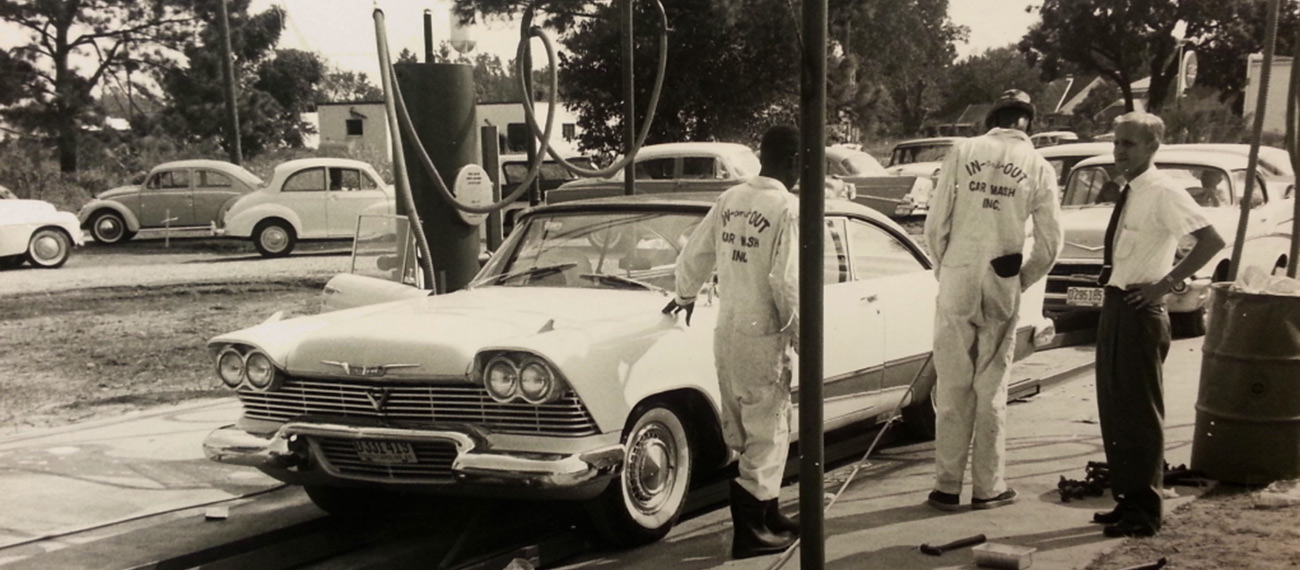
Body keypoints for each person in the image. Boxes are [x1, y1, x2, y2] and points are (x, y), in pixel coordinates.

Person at [662, 124, 801, 560]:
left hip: (728, 329)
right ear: (796, 162)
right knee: (769, 430)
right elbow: (787, 282)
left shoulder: (732, 199)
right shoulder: (786, 207)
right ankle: (751, 531)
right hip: (764, 334)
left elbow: (695, 252)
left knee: (744, 426)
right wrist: (801, 334)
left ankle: (768, 511)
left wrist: (684, 293)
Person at [923, 89, 1063, 512]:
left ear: (993, 119)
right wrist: (1023, 278)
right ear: (1028, 123)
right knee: (991, 387)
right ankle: (988, 487)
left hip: (958, 275)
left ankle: (947, 486)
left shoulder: (963, 151)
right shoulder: (1038, 166)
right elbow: (1051, 242)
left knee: (952, 385)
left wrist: (944, 267)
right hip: (1003, 277)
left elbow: (935, 223)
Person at [1091, 112, 1225, 537]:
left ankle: (1145, 510)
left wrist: (1166, 284)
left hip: (1140, 311)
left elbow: (1212, 240)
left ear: (1153, 147)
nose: (1118, 152)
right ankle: (1127, 498)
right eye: (1116, 143)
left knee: (1139, 415)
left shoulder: (1163, 191)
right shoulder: (1131, 191)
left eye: (1129, 144)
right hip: (1116, 305)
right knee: (1115, 412)